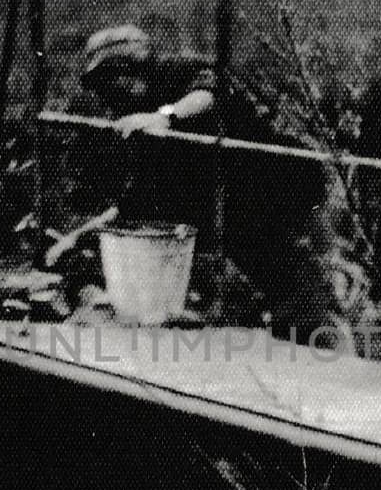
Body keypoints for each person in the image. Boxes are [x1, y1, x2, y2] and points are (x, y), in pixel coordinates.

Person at [71, 24, 333, 333]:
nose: (108, 99)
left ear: (127, 72)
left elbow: (208, 94)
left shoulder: (179, 70)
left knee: (293, 288)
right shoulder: (140, 114)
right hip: (233, 196)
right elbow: (139, 196)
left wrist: (166, 116)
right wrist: (79, 235)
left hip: (282, 182)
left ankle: (320, 340)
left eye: (109, 85)